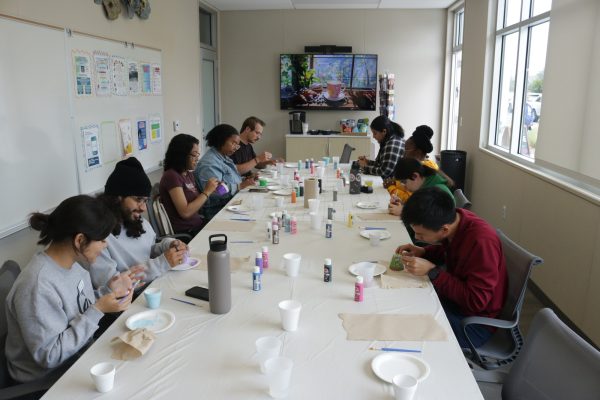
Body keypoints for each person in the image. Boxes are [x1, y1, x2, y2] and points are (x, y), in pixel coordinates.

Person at [4, 195, 133, 384]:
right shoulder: (37, 285)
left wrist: (108, 292)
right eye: (102, 240)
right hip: (51, 379)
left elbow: (75, 308)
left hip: (79, 355)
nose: (105, 246)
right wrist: (98, 310)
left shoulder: (73, 265)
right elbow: (49, 355)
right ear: (80, 240)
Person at [396, 187, 508, 348]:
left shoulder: (482, 242)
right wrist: (423, 251)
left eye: (421, 235)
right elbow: (451, 252)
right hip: (454, 303)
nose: (416, 238)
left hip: (474, 324)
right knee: (404, 304)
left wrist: (432, 271)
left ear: (444, 229)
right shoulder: (457, 220)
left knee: (405, 329)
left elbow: (476, 301)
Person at [92, 157, 189, 294]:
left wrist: (168, 245)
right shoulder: (98, 235)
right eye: (138, 200)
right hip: (130, 301)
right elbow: (112, 286)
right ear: (117, 197)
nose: (143, 208)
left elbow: (147, 251)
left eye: (145, 201)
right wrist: (161, 263)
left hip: (153, 286)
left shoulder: (136, 221)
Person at [159, 134, 219, 237]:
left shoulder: (188, 173)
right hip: (187, 232)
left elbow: (196, 203)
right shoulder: (171, 176)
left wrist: (211, 190)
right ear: (182, 155)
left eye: (198, 154)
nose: (197, 159)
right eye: (194, 155)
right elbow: (185, 212)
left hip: (198, 223)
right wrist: (206, 192)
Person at [194, 124, 256, 220]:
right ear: (221, 140)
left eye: (237, 145)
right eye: (233, 143)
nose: (235, 147)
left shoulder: (224, 157)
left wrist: (246, 179)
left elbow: (230, 180)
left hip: (231, 205)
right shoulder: (209, 164)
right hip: (217, 212)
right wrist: (239, 186)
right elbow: (216, 192)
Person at [385, 125, 453, 204]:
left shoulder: (423, 170)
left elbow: (412, 199)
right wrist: (395, 184)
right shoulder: (422, 169)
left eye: (406, 149)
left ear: (418, 152)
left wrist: (391, 187)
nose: (404, 152)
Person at [388, 158, 454, 216]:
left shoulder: (439, 191)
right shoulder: (424, 185)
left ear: (415, 176)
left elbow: (435, 220)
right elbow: (421, 208)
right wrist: (403, 204)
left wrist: (404, 212)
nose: (404, 187)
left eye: (404, 182)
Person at [357, 115, 405, 179]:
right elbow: (381, 164)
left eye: (375, 133)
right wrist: (367, 162)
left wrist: (364, 167)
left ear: (384, 131)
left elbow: (383, 172)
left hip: (393, 184)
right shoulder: (389, 140)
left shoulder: (392, 145)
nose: (373, 136)